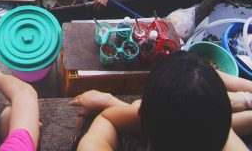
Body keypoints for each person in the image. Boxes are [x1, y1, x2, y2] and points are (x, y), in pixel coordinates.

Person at [70, 52, 249, 151]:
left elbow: (107, 119)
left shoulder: (90, 148)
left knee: (88, 118)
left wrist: (111, 102)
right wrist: (245, 100)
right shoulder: (216, 133)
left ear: (141, 114)